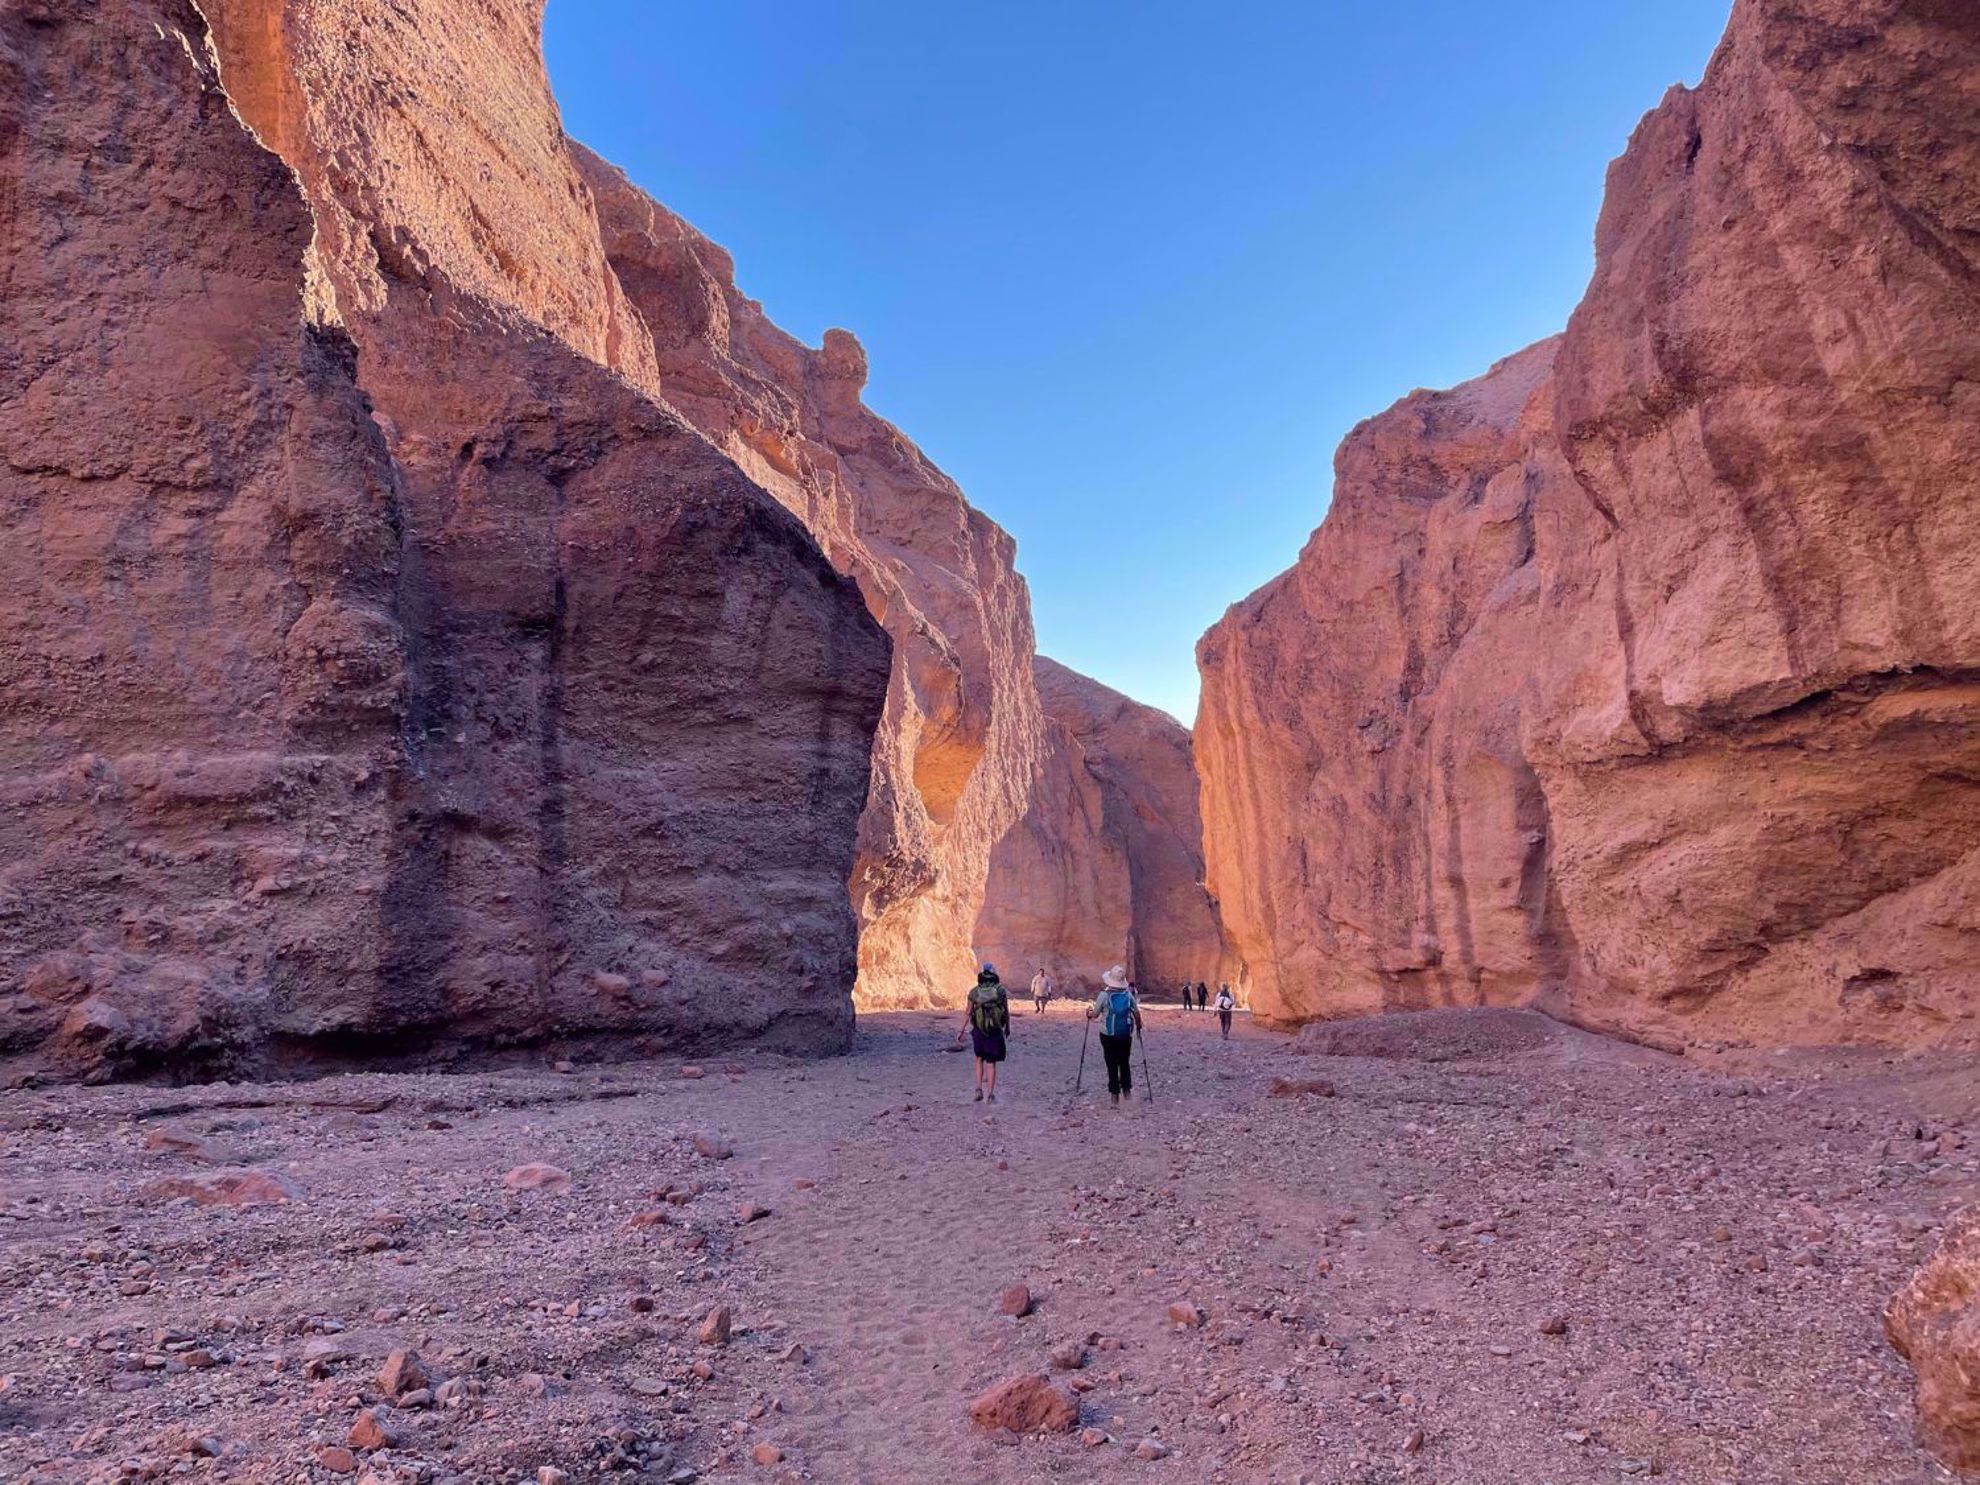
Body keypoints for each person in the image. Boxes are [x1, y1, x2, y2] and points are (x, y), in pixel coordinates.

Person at [1087, 965, 1142, 1106]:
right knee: (1124, 1062)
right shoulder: (1128, 995)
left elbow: (1095, 1015)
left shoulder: (1104, 996)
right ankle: (1127, 1091)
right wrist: (1138, 1026)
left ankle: (1114, 1094)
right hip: (1125, 1034)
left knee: (1111, 1063)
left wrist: (1089, 1013)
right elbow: (1136, 1012)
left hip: (1108, 1035)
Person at [957, 963, 1010, 1101]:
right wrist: (1007, 1028)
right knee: (991, 1063)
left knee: (979, 1059)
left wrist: (961, 1031)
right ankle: (991, 1095)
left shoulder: (974, 991)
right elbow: (1006, 1011)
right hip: (995, 1031)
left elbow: (968, 1012)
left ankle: (978, 1089)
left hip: (979, 1031)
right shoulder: (1001, 991)